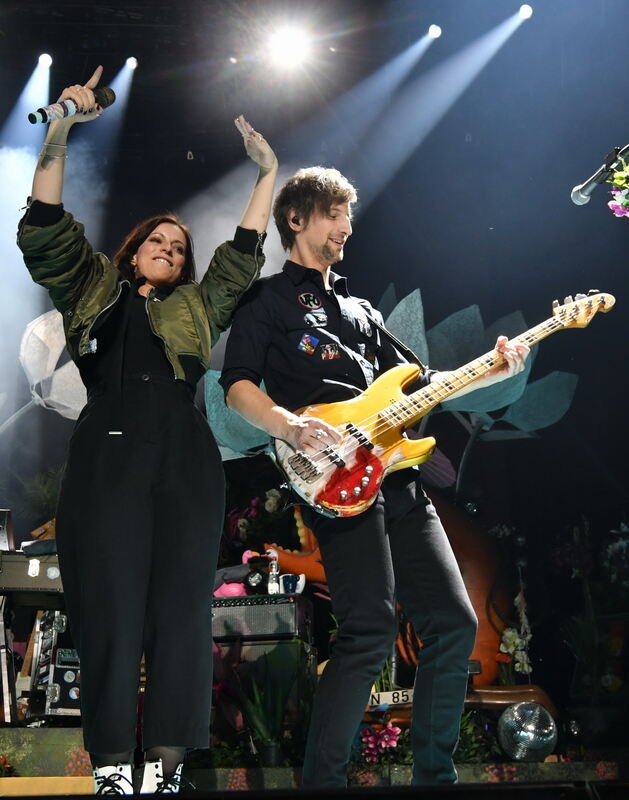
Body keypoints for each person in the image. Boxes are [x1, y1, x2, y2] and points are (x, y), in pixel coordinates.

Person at [219, 166, 530, 788]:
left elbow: (424, 385)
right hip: (333, 477)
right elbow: (237, 385)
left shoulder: (360, 309)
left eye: (348, 216)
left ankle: (434, 779)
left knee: (454, 624)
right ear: (296, 219)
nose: (346, 227)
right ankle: (323, 783)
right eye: (334, 214)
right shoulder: (267, 300)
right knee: (369, 632)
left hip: (395, 474)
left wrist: (492, 370)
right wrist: (288, 425)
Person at [17, 65, 278, 795]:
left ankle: (164, 770)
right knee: (108, 611)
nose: (169, 247)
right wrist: (61, 130)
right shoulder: (92, 289)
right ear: (132, 251)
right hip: (106, 457)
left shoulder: (196, 307)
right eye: (157, 240)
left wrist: (267, 173)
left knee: (179, 615)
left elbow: (240, 256)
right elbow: (46, 224)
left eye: (179, 245)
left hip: (185, 459)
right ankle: (110, 769)